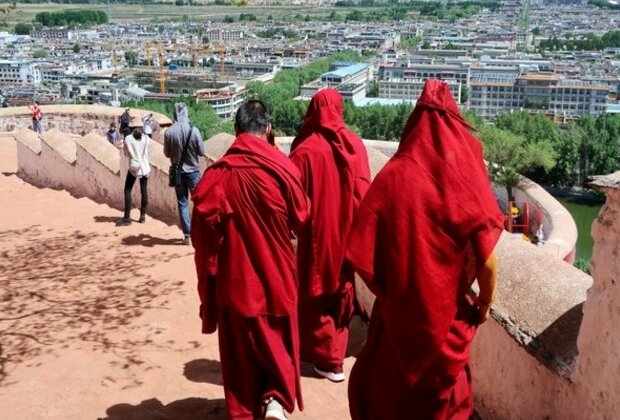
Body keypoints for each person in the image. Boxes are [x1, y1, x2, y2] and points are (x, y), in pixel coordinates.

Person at [345, 80, 504, 420]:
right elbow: (487, 258)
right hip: (447, 320)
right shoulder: (463, 176)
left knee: (391, 397)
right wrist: (485, 302)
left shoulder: (394, 174)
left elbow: (362, 248)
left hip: (401, 314)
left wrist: (393, 288)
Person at [191, 100, 310, 420]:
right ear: (269, 129)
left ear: (236, 131)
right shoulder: (283, 169)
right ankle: (274, 399)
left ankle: (244, 410)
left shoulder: (219, 174)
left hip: (235, 281)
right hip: (277, 276)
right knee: (277, 344)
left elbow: (201, 227)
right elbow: (302, 216)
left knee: (240, 356)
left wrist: (210, 277)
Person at [289, 88, 371, 383]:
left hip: (315, 236)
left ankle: (324, 359)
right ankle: (333, 358)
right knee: (340, 291)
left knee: (314, 292)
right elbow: (364, 193)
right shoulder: (354, 145)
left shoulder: (304, 150)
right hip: (347, 235)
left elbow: (293, 200)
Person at [164, 102, 205, 245]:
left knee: (182, 203)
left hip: (178, 174)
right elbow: (202, 152)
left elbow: (166, 153)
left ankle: (187, 235)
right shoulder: (194, 130)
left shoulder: (169, 132)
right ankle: (201, 233)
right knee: (199, 203)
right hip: (193, 172)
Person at [116, 124, 150, 226]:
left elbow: (126, 154)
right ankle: (142, 216)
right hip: (145, 167)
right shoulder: (146, 139)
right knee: (144, 190)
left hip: (135, 168)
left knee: (127, 189)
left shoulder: (128, 139)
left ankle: (127, 218)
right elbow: (147, 152)